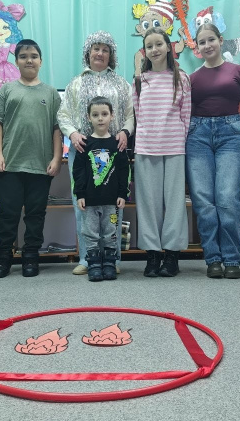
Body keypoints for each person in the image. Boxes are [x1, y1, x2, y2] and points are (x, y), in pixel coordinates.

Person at [57, 31, 134, 275]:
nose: (100, 53)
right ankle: (86, 258)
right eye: (95, 49)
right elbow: (63, 115)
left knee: (114, 207)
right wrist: (72, 134)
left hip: (113, 151)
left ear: (111, 55)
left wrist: (125, 131)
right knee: (83, 204)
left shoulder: (122, 84)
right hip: (83, 152)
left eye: (105, 50)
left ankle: (113, 259)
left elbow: (130, 114)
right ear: (88, 53)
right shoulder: (75, 84)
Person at [187, 23, 240, 279]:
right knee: (203, 200)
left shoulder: (239, 72)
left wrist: (236, 132)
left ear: (220, 40)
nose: (207, 45)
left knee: (228, 198)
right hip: (198, 137)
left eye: (211, 40)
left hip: (231, 136)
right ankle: (213, 259)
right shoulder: (192, 79)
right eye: (202, 42)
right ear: (197, 47)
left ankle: (231, 259)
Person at [0, 39, 62, 278]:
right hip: (9, 164)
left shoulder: (51, 93)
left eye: (33, 56)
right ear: (16, 61)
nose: (29, 60)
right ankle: (3, 258)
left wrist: (57, 157)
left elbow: (57, 129)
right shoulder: (6, 90)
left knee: (35, 215)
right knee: (7, 214)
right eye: (23, 56)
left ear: (41, 61)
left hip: (40, 166)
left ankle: (31, 256)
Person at [132, 27, 191, 277]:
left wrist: (178, 142)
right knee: (148, 205)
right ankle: (153, 255)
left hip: (174, 148)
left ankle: (172, 255)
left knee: (175, 204)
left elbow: (186, 116)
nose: (154, 49)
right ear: (144, 51)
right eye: (149, 46)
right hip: (146, 149)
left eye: (159, 44)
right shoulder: (139, 80)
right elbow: (138, 116)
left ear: (168, 46)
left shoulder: (182, 79)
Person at [73, 97, 129, 281]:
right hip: (90, 201)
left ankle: (110, 263)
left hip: (111, 202)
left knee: (110, 233)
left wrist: (122, 193)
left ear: (112, 116)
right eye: (95, 115)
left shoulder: (117, 144)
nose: (100, 118)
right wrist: (80, 194)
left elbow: (124, 171)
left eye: (104, 114)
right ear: (89, 117)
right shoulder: (85, 144)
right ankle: (94, 264)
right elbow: (78, 171)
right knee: (90, 232)